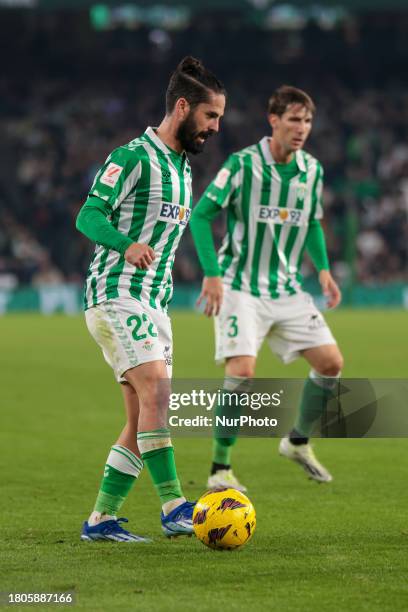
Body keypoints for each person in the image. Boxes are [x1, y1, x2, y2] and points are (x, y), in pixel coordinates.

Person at [76, 56, 225, 541]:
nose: (215, 128)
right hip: (116, 294)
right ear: (183, 107)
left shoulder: (183, 168)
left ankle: (101, 519)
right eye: (210, 116)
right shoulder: (132, 157)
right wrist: (126, 244)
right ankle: (175, 505)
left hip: (154, 306)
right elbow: (89, 215)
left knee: (144, 418)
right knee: (158, 394)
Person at [190, 85, 343, 491]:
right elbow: (202, 215)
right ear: (273, 120)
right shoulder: (242, 166)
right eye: (294, 119)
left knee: (330, 363)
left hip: (287, 288)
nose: (302, 128)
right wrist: (212, 272)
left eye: (307, 121)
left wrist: (324, 270)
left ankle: (296, 442)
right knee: (242, 372)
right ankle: (219, 470)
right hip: (239, 287)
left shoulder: (312, 171)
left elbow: (310, 222)